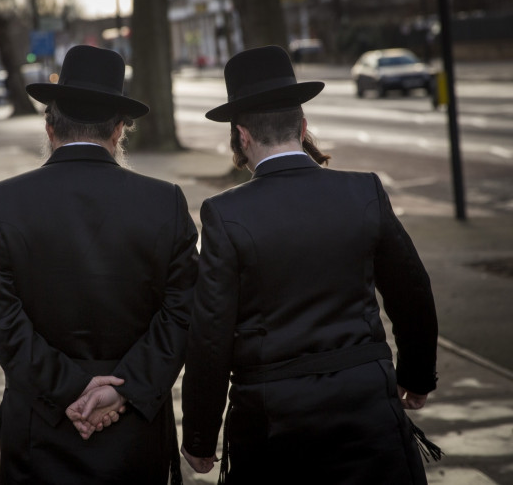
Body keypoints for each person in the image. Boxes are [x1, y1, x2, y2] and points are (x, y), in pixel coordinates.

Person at [180, 45, 440, 484]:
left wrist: (202, 435)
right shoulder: (365, 192)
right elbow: (412, 292)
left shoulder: (224, 214)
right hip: (368, 408)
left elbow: (210, 335)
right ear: (302, 127)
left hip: (273, 424)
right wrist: (417, 377)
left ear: (241, 135)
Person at [0, 45, 198, 485]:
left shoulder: (2, 203)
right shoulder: (164, 202)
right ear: (118, 130)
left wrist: (70, 388)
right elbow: (185, 312)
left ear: (49, 127)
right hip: (135, 427)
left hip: (42, 424)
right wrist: (121, 387)